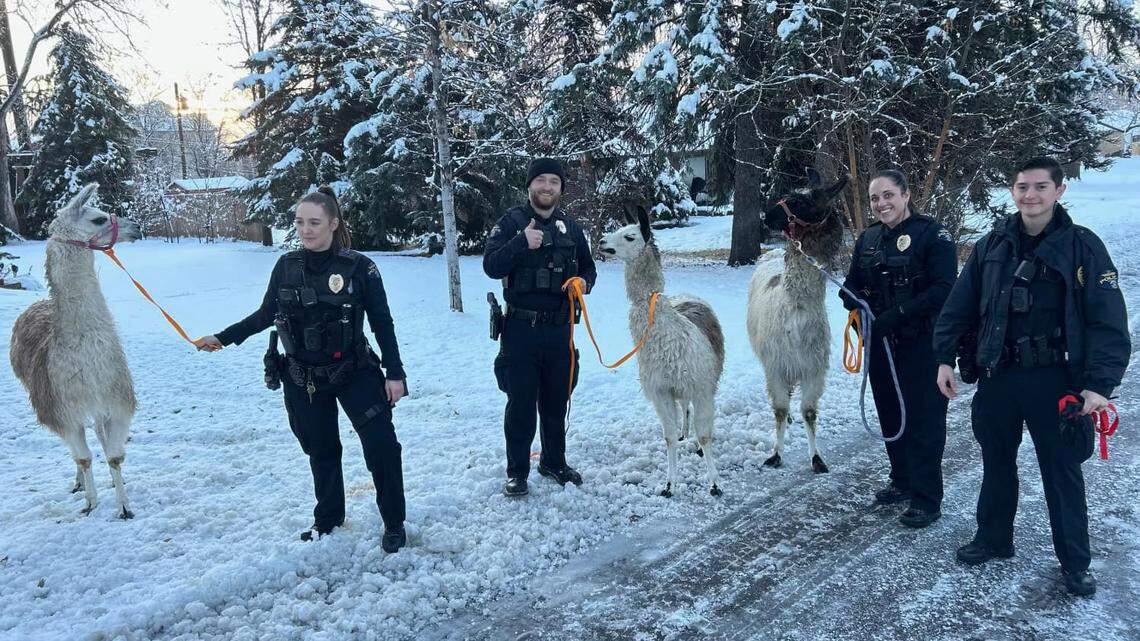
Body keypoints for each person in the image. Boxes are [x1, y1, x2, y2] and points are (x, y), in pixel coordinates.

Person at [933, 156, 1130, 596]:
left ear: (1059, 191)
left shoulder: (1083, 247)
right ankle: (993, 537)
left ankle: (1075, 561)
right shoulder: (992, 245)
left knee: (1061, 472)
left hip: (1056, 381)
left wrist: (1098, 385)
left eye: (1041, 186)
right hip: (998, 376)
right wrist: (945, 357)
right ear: (1013, 191)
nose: (1031, 195)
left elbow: (1108, 322)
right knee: (995, 461)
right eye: (1023, 187)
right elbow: (960, 306)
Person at [193, 187, 410, 553]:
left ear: (333, 223)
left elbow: (382, 322)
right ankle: (328, 518)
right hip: (303, 377)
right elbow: (265, 315)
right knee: (321, 450)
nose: (306, 230)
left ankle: (393, 522)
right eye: (299, 222)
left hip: (354, 370)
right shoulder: (286, 266)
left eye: (314, 222)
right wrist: (223, 337)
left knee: (382, 446)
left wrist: (395, 373)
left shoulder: (360, 267)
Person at [840, 169, 957, 528]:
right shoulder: (869, 238)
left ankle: (926, 497)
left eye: (888, 195)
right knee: (892, 415)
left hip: (921, 344)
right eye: (875, 198)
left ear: (906, 195)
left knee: (923, 420)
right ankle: (902, 479)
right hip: (881, 345)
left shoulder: (932, 235)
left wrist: (898, 314)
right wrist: (850, 297)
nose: (881, 204)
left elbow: (943, 289)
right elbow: (854, 281)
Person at [483, 157, 597, 497]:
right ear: (530, 185)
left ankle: (554, 462)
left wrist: (583, 282)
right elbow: (491, 265)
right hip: (520, 330)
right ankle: (517, 471)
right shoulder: (511, 223)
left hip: (560, 331)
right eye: (541, 180)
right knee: (520, 404)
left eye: (554, 181)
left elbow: (590, 270)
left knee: (556, 400)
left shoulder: (570, 228)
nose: (547, 187)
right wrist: (521, 242)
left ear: (561, 188)